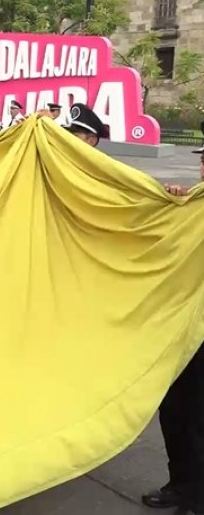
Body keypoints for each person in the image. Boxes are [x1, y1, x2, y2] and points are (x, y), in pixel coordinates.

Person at [142, 146, 204, 515]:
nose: (203, 165)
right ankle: (180, 484)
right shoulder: (192, 205)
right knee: (174, 410)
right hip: (182, 327)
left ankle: (195, 497)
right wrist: (174, 209)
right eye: (203, 158)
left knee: (196, 416)